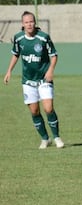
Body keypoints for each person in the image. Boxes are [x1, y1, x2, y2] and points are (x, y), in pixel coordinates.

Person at [3, 11, 64, 149]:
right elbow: (15, 54)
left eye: (31, 21)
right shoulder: (18, 39)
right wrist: (9, 71)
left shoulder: (43, 38)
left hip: (44, 80)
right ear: (22, 24)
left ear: (35, 22)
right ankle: (45, 139)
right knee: (34, 111)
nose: (29, 24)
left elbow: (54, 55)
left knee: (48, 109)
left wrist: (50, 71)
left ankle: (57, 137)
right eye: (26, 22)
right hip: (28, 81)